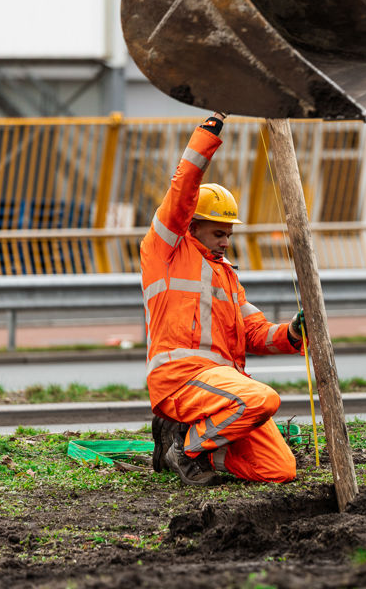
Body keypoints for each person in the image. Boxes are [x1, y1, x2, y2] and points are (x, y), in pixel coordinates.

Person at [140, 112, 305, 486]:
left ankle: (191, 444)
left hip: (223, 387)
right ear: (191, 225)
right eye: (218, 233)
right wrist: (210, 129)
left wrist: (293, 333)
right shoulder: (164, 250)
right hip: (180, 381)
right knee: (262, 400)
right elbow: (183, 189)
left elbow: (256, 333)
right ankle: (186, 445)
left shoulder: (226, 275)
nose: (226, 241)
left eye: (229, 234)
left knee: (279, 471)